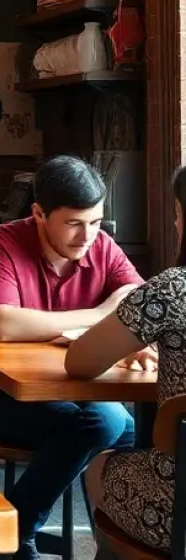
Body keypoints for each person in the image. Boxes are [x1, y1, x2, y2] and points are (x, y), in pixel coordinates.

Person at [0, 155, 146, 560]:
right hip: (1, 396)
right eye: (74, 223)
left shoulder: (102, 245)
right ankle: (16, 529)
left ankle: (110, 546)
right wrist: (101, 315)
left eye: (97, 222)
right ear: (38, 213)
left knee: (137, 437)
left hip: (76, 391)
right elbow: (5, 325)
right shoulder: (3, 242)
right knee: (108, 421)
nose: (88, 236)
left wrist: (136, 338)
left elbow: (139, 301)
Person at [67, 166, 186, 553]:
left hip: (178, 512)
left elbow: (79, 362)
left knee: (101, 466)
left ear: (182, 216)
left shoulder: (171, 290)